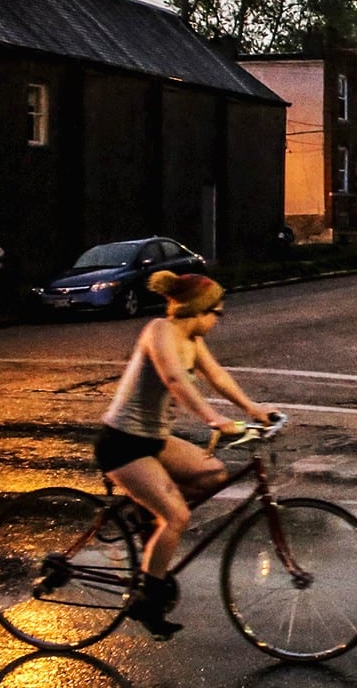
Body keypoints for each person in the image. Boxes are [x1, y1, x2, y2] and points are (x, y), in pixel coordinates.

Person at [94, 270, 275, 640]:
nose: (217, 320)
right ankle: (146, 599)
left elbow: (218, 376)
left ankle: (145, 512)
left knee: (213, 475)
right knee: (176, 515)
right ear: (197, 310)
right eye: (216, 313)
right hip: (122, 443)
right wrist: (215, 419)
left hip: (154, 440)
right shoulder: (159, 332)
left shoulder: (192, 339)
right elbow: (175, 380)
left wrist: (254, 409)